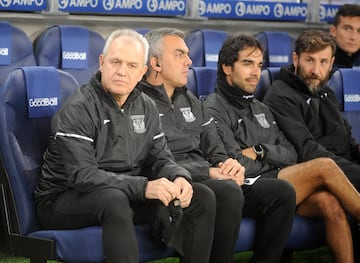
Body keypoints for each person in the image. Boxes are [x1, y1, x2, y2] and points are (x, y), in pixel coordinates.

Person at [34, 29, 217, 263]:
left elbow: (161, 158)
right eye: (115, 62)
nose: (122, 72)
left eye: (132, 66)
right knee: (113, 199)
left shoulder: (147, 106)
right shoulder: (78, 108)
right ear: (102, 62)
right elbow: (83, 176)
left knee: (201, 196)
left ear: (142, 72)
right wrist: (143, 188)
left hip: (123, 192)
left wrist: (179, 177)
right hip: (63, 198)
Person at [139, 27, 297, 263]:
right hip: (176, 184)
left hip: (211, 179)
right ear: (156, 63)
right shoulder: (139, 104)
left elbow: (214, 149)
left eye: (188, 55)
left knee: (281, 192)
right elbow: (150, 162)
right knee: (226, 191)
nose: (189, 62)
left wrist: (228, 164)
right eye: (180, 55)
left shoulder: (190, 100)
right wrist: (209, 171)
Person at [204, 34, 360, 263]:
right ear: (227, 67)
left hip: (279, 180)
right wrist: (270, 158)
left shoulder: (260, 107)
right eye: (247, 64)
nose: (256, 72)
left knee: (330, 204)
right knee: (324, 166)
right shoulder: (213, 108)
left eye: (259, 65)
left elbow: (290, 153)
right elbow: (234, 163)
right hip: (250, 187)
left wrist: (260, 150)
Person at [329, 3, 360, 68]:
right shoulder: (321, 62)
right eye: (347, 29)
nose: (353, 37)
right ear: (333, 31)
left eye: (359, 31)